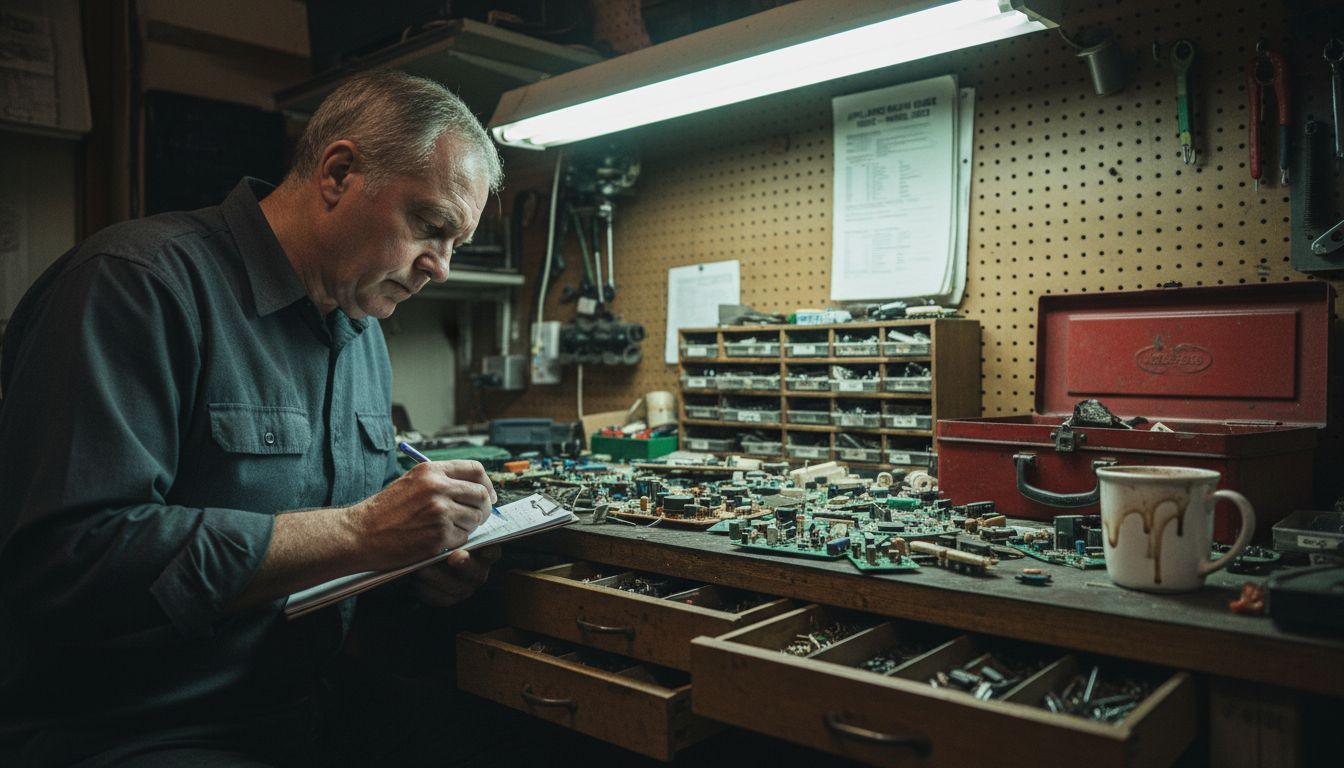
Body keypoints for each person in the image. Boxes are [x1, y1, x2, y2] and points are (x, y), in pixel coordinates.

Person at [0, 71, 507, 766]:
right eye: (431, 226)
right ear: (338, 173)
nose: (441, 267)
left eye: (456, 244)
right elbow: (72, 562)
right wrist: (363, 531)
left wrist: (419, 566)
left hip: (299, 706)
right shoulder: (135, 284)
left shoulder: (361, 332)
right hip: (132, 729)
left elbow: (331, 548)